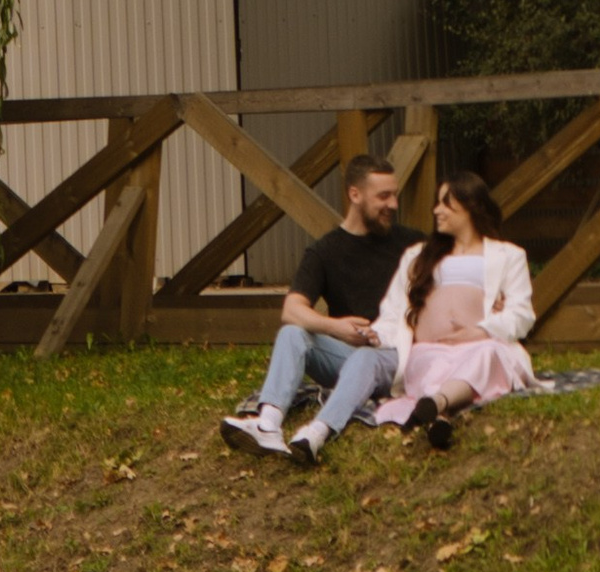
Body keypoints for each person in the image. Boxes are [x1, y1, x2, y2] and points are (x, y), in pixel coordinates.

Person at [220, 153, 409, 462]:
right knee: (293, 333)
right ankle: (268, 424)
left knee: (367, 359)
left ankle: (319, 430)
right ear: (355, 194)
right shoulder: (324, 251)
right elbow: (292, 309)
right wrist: (336, 327)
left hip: (399, 356)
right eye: (384, 196)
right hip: (349, 358)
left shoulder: (411, 244)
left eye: (394, 195)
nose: (393, 205)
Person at [370, 172, 536, 445]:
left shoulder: (508, 255)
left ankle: (436, 404)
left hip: (480, 347)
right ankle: (439, 412)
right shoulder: (418, 255)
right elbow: (393, 309)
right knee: (431, 366)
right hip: (429, 349)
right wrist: (376, 335)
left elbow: (522, 314)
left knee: (489, 355)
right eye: (437, 203)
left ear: (470, 207)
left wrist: (480, 331)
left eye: (446, 204)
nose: (437, 210)